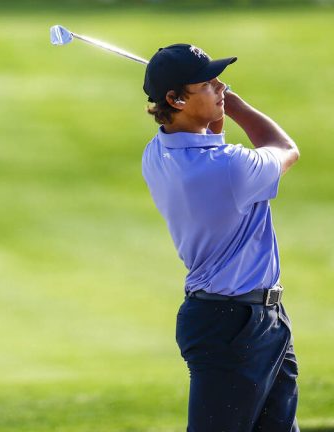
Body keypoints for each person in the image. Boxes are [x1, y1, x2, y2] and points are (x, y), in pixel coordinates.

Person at [141, 44, 300, 431]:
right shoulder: (229, 170)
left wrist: (214, 110)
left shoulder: (157, 152)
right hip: (236, 322)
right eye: (209, 84)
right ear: (175, 99)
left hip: (245, 319)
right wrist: (241, 107)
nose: (222, 89)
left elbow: (211, 142)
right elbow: (286, 149)